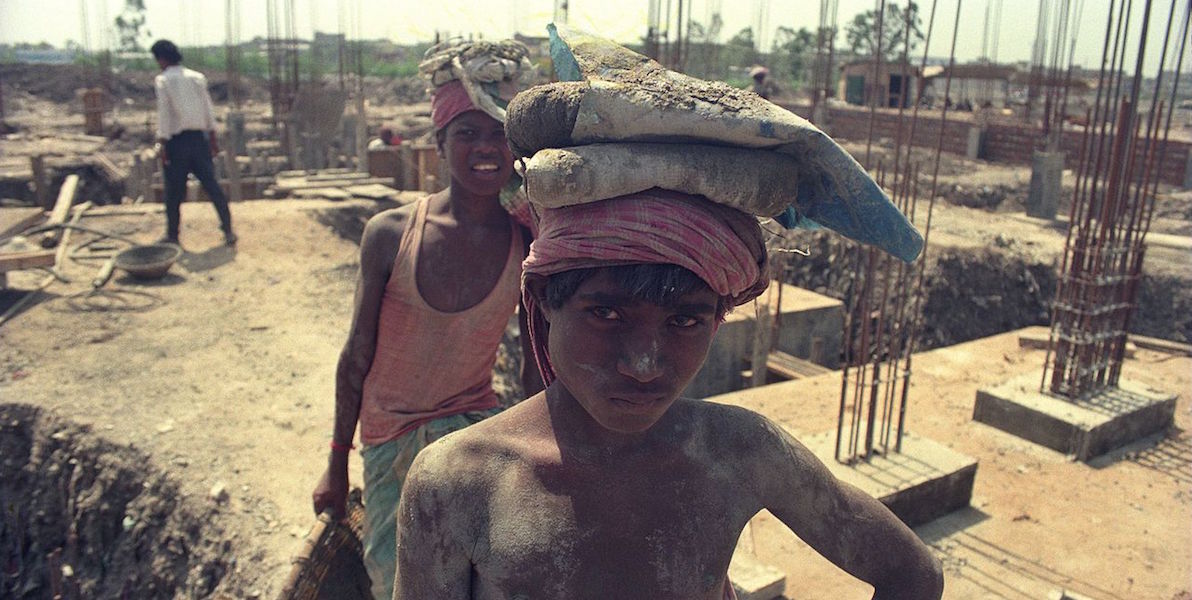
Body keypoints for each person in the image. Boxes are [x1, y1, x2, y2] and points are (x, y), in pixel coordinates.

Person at [310, 39, 540, 600]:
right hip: (392, 445)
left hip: (473, 435)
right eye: (467, 134)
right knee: (399, 584)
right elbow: (355, 357)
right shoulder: (391, 234)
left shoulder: (526, 241)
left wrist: (541, 454)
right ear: (439, 143)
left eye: (498, 134)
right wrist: (337, 462)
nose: (485, 149)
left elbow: (537, 360)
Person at [150, 39, 235, 246]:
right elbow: (208, 110)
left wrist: (162, 142)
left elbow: (165, 115)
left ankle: (172, 235)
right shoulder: (197, 78)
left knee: (174, 192)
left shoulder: (163, 80)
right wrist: (213, 139)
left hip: (176, 142)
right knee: (212, 186)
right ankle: (228, 230)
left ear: (161, 59)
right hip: (199, 140)